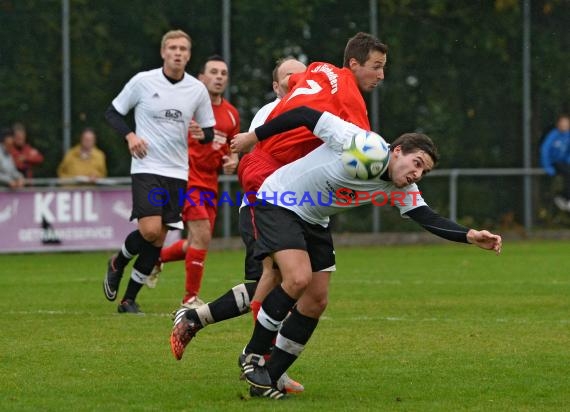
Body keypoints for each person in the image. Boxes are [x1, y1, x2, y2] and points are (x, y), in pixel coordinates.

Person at [222, 106, 500, 399]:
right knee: (297, 278)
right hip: (279, 199)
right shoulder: (362, 144)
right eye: (416, 163)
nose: (416, 174)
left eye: (424, 171)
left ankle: (269, 377)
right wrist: (254, 136)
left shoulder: (401, 186)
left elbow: (427, 217)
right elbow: (304, 114)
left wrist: (470, 235)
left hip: (314, 219)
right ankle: (253, 355)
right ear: (398, 151)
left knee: (316, 300)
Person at [102, 29, 216, 314]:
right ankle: (117, 262)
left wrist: (201, 133)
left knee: (159, 238)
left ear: (189, 55)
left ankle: (129, 300)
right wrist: (130, 137)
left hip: (178, 172)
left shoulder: (197, 90)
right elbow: (113, 113)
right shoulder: (143, 81)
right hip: (147, 166)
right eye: (173, 48)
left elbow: (209, 132)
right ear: (163, 52)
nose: (178, 53)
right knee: (150, 230)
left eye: (183, 49)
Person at [157, 55, 240, 309]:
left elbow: (233, 147)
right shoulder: (188, 107)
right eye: (213, 72)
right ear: (201, 78)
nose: (218, 77)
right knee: (201, 237)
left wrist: (232, 160)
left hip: (210, 183)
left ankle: (154, 259)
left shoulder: (231, 114)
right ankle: (190, 299)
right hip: (186, 179)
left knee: (196, 243)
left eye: (223, 73)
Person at [540, 114, 570, 211]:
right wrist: (547, 166)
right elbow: (545, 150)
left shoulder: (568, 135)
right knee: (567, 173)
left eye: (567, 123)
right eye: (563, 123)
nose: (565, 125)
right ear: (558, 124)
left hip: (563, 163)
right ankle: (562, 197)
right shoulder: (553, 134)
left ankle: (565, 197)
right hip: (554, 162)